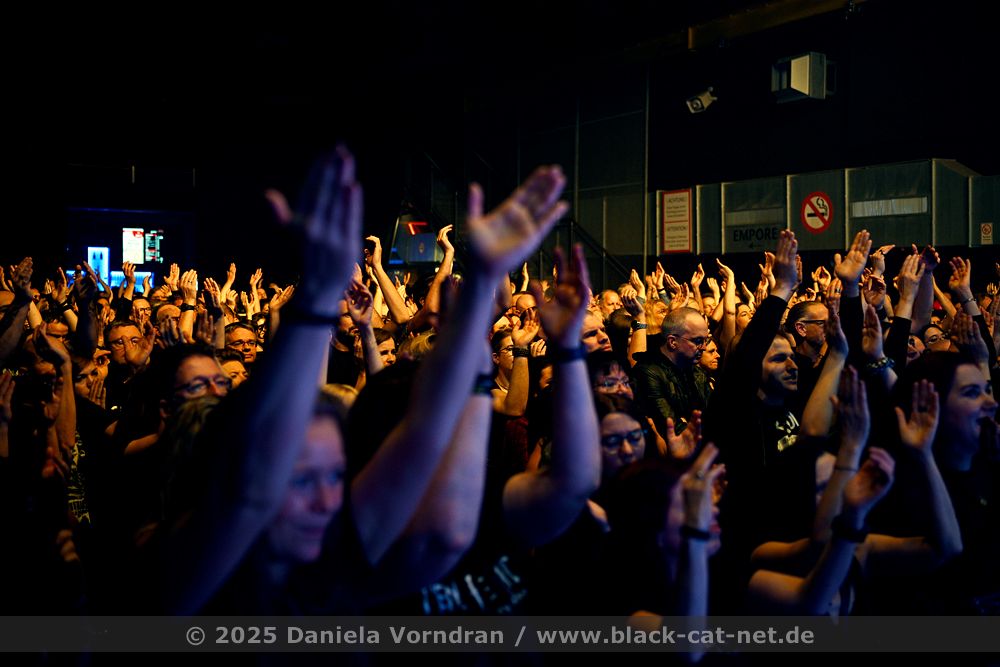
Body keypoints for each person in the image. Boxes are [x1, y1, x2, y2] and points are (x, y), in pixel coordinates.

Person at [632, 306, 712, 442]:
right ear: (672, 342)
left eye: (705, 340)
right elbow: (673, 429)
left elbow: (716, 418)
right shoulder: (648, 372)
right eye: (698, 341)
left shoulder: (697, 372)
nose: (704, 347)